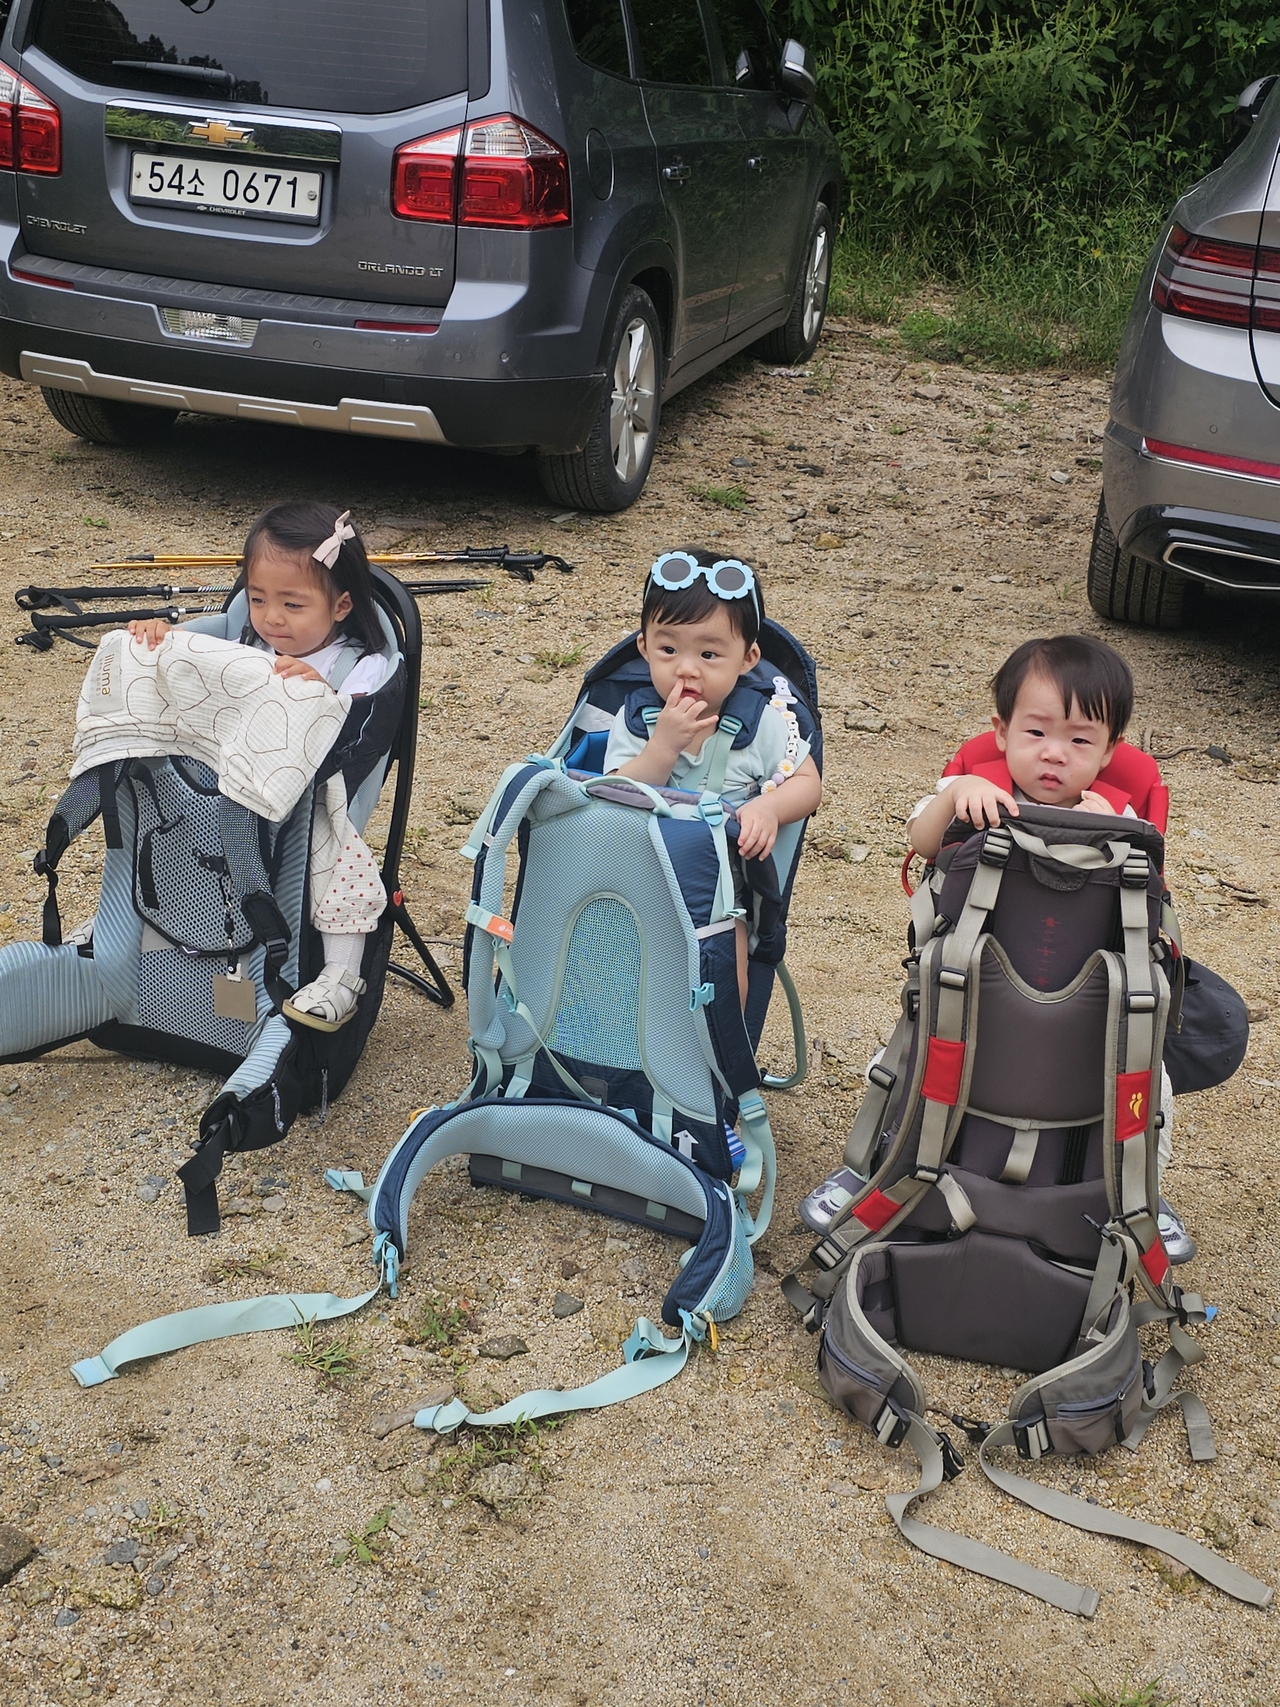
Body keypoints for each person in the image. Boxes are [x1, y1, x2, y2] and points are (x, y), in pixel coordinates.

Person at [800, 633, 1194, 1264]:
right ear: (1002, 731)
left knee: (1154, 1079)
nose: (1054, 754)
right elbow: (922, 842)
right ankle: (873, 1161)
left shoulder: (1122, 815)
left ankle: (1143, 1189)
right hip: (971, 981)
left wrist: (1115, 830)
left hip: (1084, 993)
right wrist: (955, 797)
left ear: (1109, 751)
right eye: (1036, 732)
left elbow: (1148, 910)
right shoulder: (975, 788)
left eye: (1080, 741)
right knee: (904, 1049)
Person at [128, 501, 390, 1032]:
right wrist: (159, 637)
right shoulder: (241, 642)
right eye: (257, 598)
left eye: (292, 604)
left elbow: (360, 716)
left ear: (341, 606)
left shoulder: (359, 665)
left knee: (339, 860)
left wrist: (323, 692)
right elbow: (186, 653)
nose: (271, 617)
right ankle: (127, 925)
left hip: (310, 803)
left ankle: (341, 974)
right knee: (154, 816)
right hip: (219, 791)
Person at [604, 548, 822, 1001]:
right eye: (668, 650)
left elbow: (808, 785)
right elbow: (615, 795)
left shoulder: (763, 722)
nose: (686, 668)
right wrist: (663, 747)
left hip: (721, 896)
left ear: (747, 658)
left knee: (727, 975)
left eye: (708, 653)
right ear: (644, 647)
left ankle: (719, 1041)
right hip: (634, 883)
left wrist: (768, 807)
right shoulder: (637, 720)